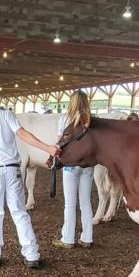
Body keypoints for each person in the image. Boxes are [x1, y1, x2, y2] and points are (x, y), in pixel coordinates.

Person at [0, 84, 57, 269]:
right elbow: (24, 135)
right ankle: (31, 254)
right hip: (13, 169)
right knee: (19, 211)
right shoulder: (7, 115)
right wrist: (48, 148)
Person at [50, 90, 96, 248]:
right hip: (88, 165)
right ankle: (87, 238)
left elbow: (59, 141)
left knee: (70, 203)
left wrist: (52, 156)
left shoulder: (65, 119)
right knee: (86, 202)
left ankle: (68, 238)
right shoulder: (92, 120)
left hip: (70, 165)